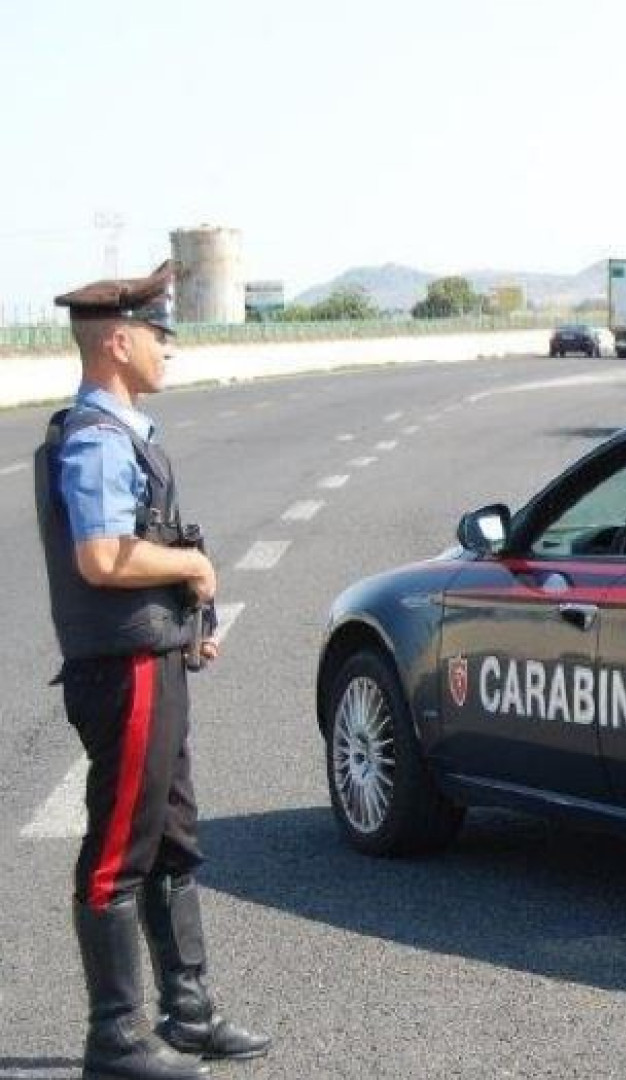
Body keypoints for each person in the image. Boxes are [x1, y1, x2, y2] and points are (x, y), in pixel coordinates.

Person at [34, 262, 271, 1080]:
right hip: (125, 668)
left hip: (151, 656)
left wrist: (184, 619)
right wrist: (194, 573)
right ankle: (118, 1037)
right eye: (158, 334)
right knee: (118, 852)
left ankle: (189, 1013)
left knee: (172, 838)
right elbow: (102, 557)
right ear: (120, 341)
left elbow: (135, 549)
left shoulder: (123, 434)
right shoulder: (99, 441)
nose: (168, 347)